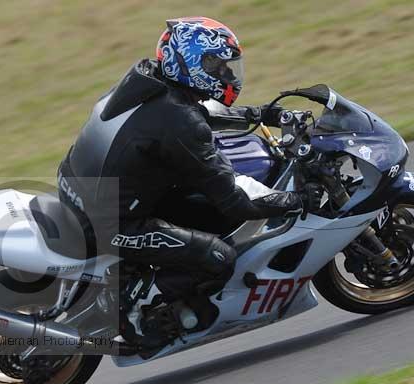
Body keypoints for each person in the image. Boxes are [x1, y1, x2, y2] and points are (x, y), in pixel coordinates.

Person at [57, 16, 304, 314]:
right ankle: (140, 311)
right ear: (190, 64)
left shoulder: (146, 81)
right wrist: (295, 201)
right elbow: (235, 201)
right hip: (109, 225)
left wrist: (261, 114)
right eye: (217, 66)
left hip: (78, 190)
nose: (226, 73)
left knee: (199, 209)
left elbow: (195, 115)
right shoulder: (180, 122)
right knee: (219, 257)